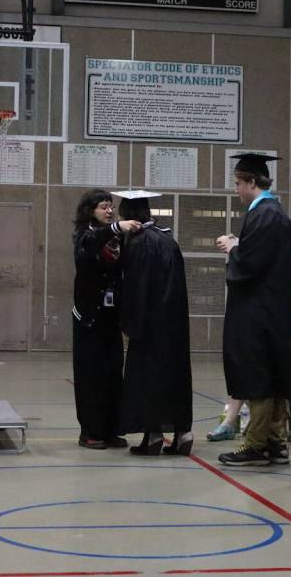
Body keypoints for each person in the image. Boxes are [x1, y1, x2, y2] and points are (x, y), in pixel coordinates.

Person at [216, 153, 291, 466]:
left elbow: (251, 264)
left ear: (252, 181)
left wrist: (233, 247)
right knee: (273, 378)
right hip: (272, 312)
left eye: (238, 183)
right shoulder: (272, 213)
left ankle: (256, 444)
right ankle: (275, 442)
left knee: (259, 377)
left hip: (259, 314)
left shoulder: (264, 214)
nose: (236, 189)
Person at [114, 190, 193, 455]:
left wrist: (129, 323)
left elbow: (138, 288)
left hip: (150, 325)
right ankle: (183, 433)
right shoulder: (167, 239)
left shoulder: (139, 243)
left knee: (147, 379)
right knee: (176, 377)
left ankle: (153, 436)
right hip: (175, 324)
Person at [71, 188, 141, 449]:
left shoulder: (117, 237)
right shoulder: (84, 234)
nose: (110, 210)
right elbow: (90, 244)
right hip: (88, 317)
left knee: (113, 373)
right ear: (91, 210)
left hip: (111, 317)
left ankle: (112, 428)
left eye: (111, 206)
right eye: (103, 206)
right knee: (91, 376)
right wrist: (116, 227)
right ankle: (90, 431)